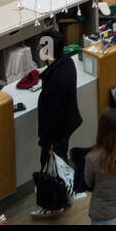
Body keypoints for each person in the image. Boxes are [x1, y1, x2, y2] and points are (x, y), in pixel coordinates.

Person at [35, 32, 82, 217]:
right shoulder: (67, 63)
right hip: (66, 124)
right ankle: (61, 200)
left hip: (56, 131)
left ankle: (54, 203)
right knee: (59, 163)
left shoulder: (55, 79)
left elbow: (53, 114)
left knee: (50, 166)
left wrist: (49, 143)